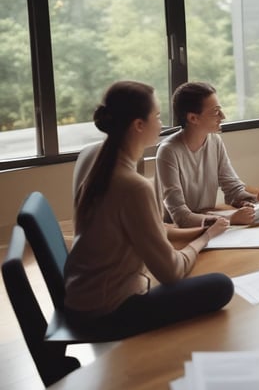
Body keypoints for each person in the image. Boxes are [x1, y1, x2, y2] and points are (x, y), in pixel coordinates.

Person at [65, 81, 234, 338]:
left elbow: (150, 230)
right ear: (138, 125)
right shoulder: (134, 186)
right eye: (156, 116)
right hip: (109, 311)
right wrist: (205, 238)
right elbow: (171, 272)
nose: (162, 123)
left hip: (84, 297)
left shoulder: (98, 161)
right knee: (221, 285)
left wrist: (199, 231)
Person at [156, 82, 259, 228]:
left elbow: (233, 189)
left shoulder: (214, 140)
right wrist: (230, 219)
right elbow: (180, 216)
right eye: (216, 111)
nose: (223, 116)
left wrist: (257, 200)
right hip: (181, 233)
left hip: (211, 224)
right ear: (193, 118)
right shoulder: (168, 151)